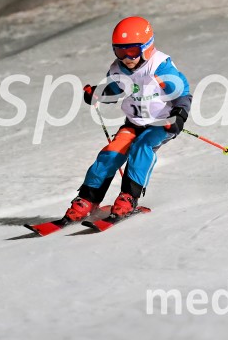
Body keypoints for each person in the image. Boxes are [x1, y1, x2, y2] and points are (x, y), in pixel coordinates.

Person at [63, 16, 192, 221]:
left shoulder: (160, 67)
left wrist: (179, 117)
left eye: (132, 51)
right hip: (134, 123)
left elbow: (182, 95)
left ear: (147, 47)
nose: (126, 58)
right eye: (120, 51)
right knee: (111, 153)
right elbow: (114, 91)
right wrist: (97, 93)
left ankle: (129, 197)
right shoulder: (118, 69)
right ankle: (88, 198)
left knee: (142, 147)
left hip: (162, 124)